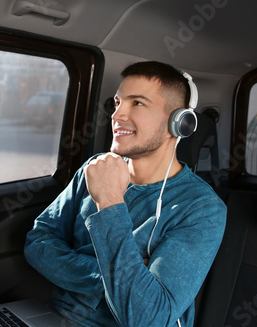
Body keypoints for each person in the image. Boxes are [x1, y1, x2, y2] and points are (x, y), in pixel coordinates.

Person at [24, 61, 226, 327]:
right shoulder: (95, 168)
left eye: (137, 103)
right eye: (118, 102)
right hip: (51, 318)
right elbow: (38, 242)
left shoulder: (201, 208)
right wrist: (111, 275)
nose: (117, 115)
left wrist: (109, 202)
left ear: (180, 123)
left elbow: (149, 317)